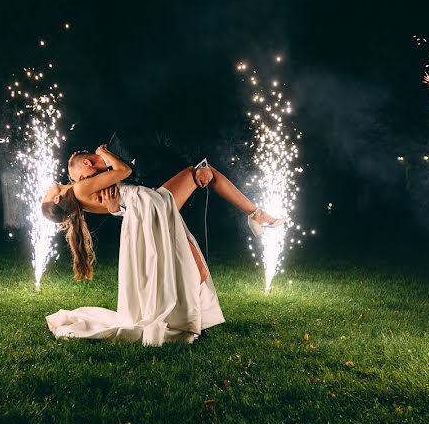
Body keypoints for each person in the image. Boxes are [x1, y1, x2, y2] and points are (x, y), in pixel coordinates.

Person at [40, 144, 286, 345]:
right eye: (47, 196)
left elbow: (116, 205)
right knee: (197, 179)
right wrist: (104, 153)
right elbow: (123, 172)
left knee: (187, 257)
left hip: (144, 208)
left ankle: (255, 215)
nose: (84, 178)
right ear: (58, 198)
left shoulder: (80, 196)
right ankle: (255, 214)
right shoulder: (81, 188)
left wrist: (115, 209)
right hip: (149, 205)